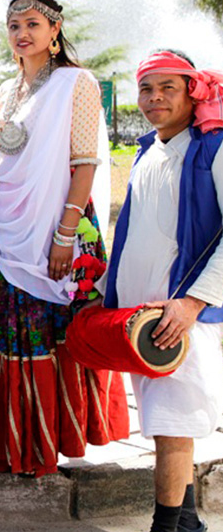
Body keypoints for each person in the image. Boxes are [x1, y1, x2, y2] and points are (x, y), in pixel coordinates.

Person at [0, 0, 128, 476]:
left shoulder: (76, 83)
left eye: (33, 24)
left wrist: (64, 235)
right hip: (8, 232)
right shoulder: (3, 92)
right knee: (6, 333)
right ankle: (8, 444)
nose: (22, 34)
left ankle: (44, 444)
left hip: (57, 230)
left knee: (48, 331)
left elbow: (84, 164)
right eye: (14, 25)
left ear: (55, 30)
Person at [98, 49, 223, 532]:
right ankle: (187, 522)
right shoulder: (150, 149)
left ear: (193, 91)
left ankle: (166, 527)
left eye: (168, 88)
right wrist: (107, 295)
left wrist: (193, 302)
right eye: (146, 89)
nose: (154, 99)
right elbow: (135, 231)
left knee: (172, 426)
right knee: (167, 426)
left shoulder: (212, 148)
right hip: (144, 315)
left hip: (183, 314)